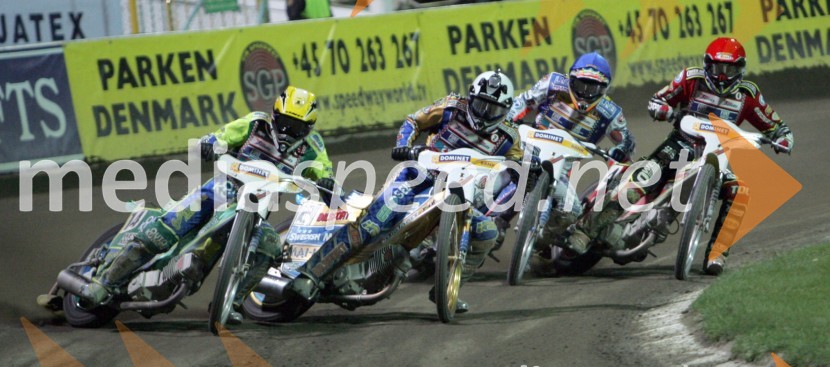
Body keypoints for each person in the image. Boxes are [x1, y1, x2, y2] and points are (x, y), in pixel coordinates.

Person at [80, 86, 335, 322]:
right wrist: (211, 143)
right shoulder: (256, 122)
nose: (289, 131)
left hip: (257, 208)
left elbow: (324, 171)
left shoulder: (313, 146)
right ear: (275, 114)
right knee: (165, 231)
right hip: (222, 189)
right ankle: (104, 283)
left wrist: (327, 181)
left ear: (309, 127)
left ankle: (231, 302)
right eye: (286, 122)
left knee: (270, 247)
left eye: (297, 126)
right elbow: (223, 135)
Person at [287, 70, 522, 313]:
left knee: (487, 234)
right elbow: (414, 121)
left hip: (460, 193)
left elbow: (520, 165)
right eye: (481, 104)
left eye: (492, 108)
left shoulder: (509, 136)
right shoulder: (452, 106)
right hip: (416, 178)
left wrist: (527, 168)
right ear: (471, 97)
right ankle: (310, 274)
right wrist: (403, 145)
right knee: (370, 225)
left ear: (505, 109)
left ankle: (449, 288)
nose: (484, 113)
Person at [569, 37, 794, 275]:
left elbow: (779, 127)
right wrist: (663, 110)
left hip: (717, 157)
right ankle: (585, 232)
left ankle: (717, 254)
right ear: (707, 65)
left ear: (741, 69)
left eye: (729, 69)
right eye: (717, 68)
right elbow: (658, 100)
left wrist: (783, 139)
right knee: (639, 181)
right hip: (679, 146)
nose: (722, 76)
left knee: (740, 191)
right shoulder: (691, 78)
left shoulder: (749, 94)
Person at [507, 52, 635, 264]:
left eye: (592, 88)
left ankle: (542, 240)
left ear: (604, 89)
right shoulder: (552, 83)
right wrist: (510, 118)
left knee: (572, 209)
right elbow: (524, 100)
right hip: (528, 148)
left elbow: (627, 141)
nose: (585, 92)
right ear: (570, 79)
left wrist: (620, 151)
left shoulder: (610, 112)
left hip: (562, 167)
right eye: (581, 85)